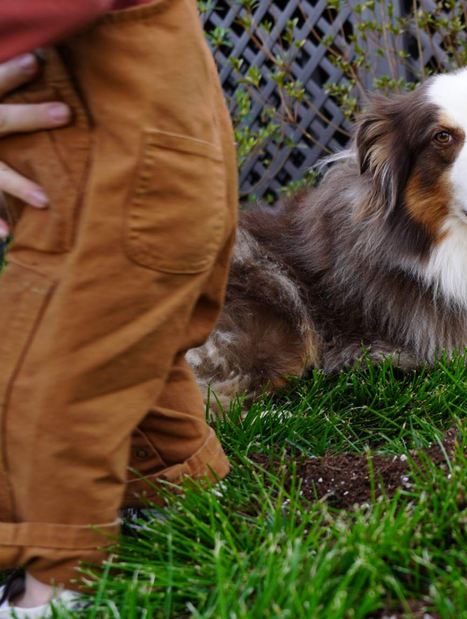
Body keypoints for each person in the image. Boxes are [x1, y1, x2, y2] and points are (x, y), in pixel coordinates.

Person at [0, 0, 237, 614]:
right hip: (163, 169)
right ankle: (171, 496)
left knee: (47, 373)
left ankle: (52, 585)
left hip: (110, 185)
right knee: (134, 360)